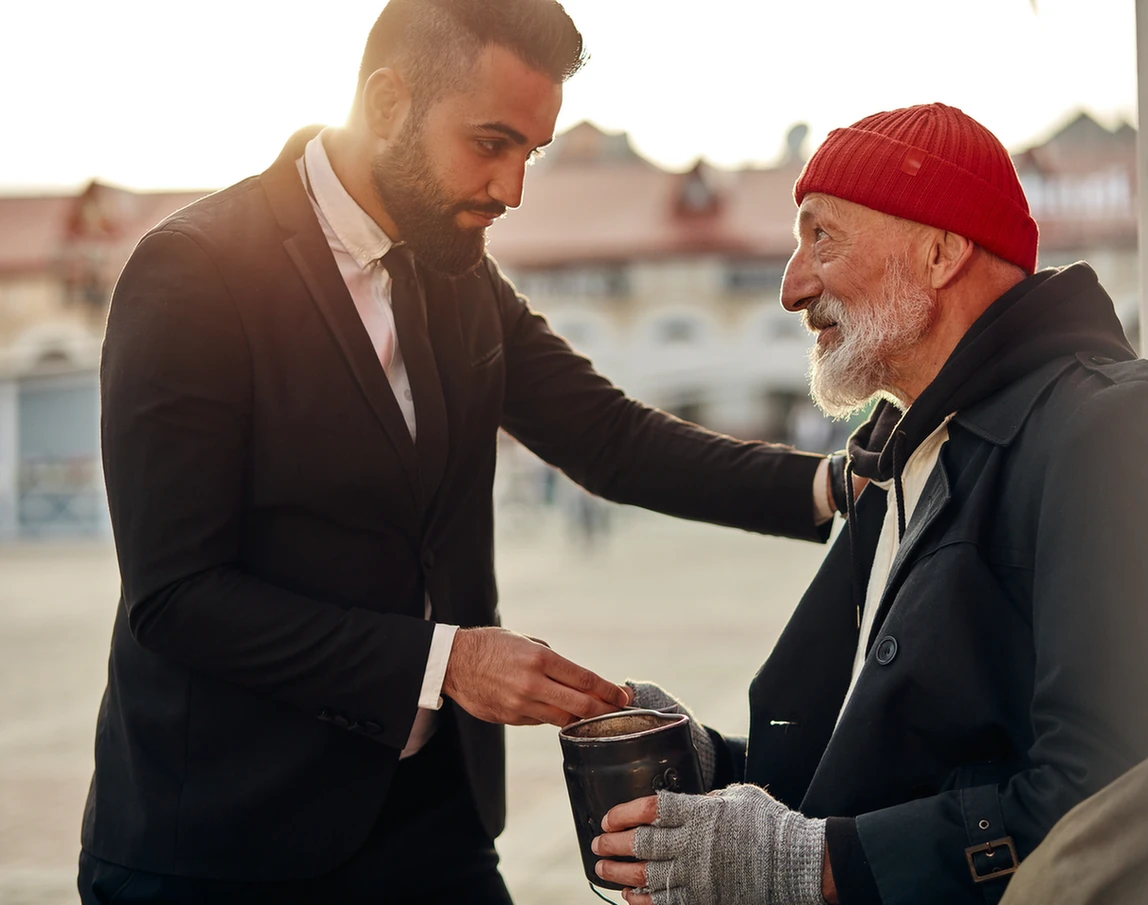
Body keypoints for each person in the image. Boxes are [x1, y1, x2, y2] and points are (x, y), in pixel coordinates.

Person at [77, 2, 840, 902]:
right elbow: (176, 597)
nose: (511, 189)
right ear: (387, 102)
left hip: (431, 820)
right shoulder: (194, 272)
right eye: (490, 143)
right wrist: (447, 662)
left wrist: (831, 484)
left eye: (531, 153)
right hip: (223, 838)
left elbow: (609, 436)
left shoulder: (458, 272)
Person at [593, 103, 1148, 905]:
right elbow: (880, 765)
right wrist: (708, 763)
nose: (791, 286)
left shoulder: (1103, 430)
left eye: (821, 238)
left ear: (939, 252)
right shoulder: (905, 447)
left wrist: (813, 865)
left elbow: (1120, 791)